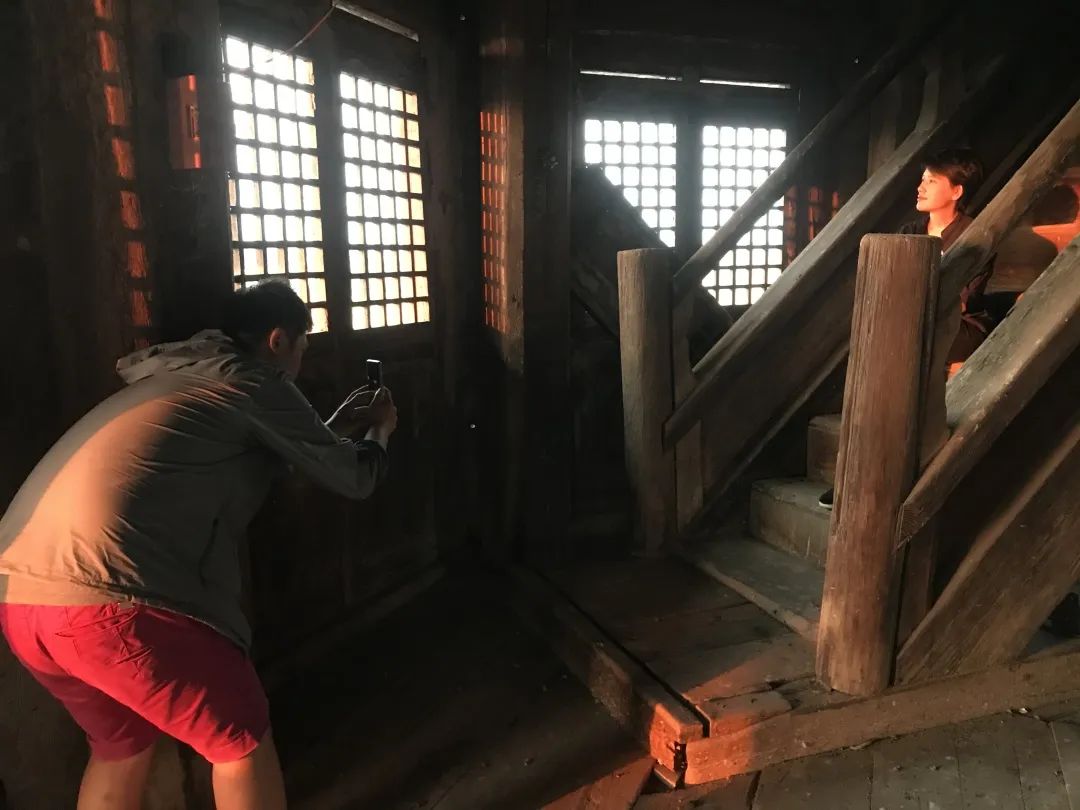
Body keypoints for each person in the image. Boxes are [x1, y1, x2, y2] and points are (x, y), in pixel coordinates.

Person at [0, 280, 396, 809]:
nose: (302, 361)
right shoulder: (254, 380)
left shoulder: (183, 375)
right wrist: (380, 432)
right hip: (110, 600)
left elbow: (272, 455)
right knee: (240, 741)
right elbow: (353, 478)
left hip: (23, 599)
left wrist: (337, 425)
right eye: (304, 346)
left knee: (123, 747)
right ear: (279, 340)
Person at [819, 148, 987, 510]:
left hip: (959, 326)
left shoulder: (975, 235)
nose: (920, 187)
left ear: (956, 191)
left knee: (901, 357)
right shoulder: (910, 232)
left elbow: (962, 300)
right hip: (908, 322)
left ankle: (893, 469)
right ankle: (858, 471)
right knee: (875, 355)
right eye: (922, 179)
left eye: (932, 181)